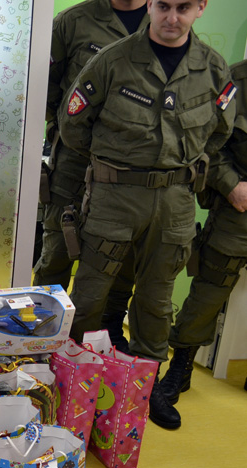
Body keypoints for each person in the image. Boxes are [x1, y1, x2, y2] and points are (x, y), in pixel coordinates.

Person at [57, 0, 235, 430]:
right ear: (151, 5)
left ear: (201, 8)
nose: (172, 18)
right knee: (91, 293)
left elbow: (220, 132)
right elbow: (73, 124)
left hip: (175, 199)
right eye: (163, 6)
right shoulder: (112, 60)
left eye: (183, 7)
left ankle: (145, 386)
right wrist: (114, 165)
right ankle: (74, 381)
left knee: (156, 300)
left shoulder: (213, 69)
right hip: (115, 194)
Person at [35, 0, 150, 352]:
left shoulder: (162, 21)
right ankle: (39, 333)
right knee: (58, 246)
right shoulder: (73, 21)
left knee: (120, 255)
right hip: (75, 157)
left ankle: (105, 336)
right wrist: (66, 128)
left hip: (128, 170)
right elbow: (44, 88)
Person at [156, 59, 247, 423]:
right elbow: (208, 141)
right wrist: (230, 185)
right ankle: (182, 364)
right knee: (210, 288)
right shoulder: (234, 80)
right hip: (240, 207)